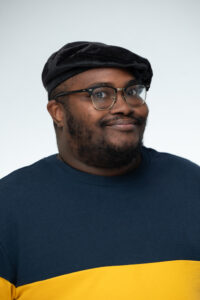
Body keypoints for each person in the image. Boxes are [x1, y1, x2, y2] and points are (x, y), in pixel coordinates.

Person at [0, 41, 199, 300]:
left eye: (133, 91)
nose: (124, 106)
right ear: (57, 112)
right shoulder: (9, 207)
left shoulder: (192, 186)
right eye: (100, 94)